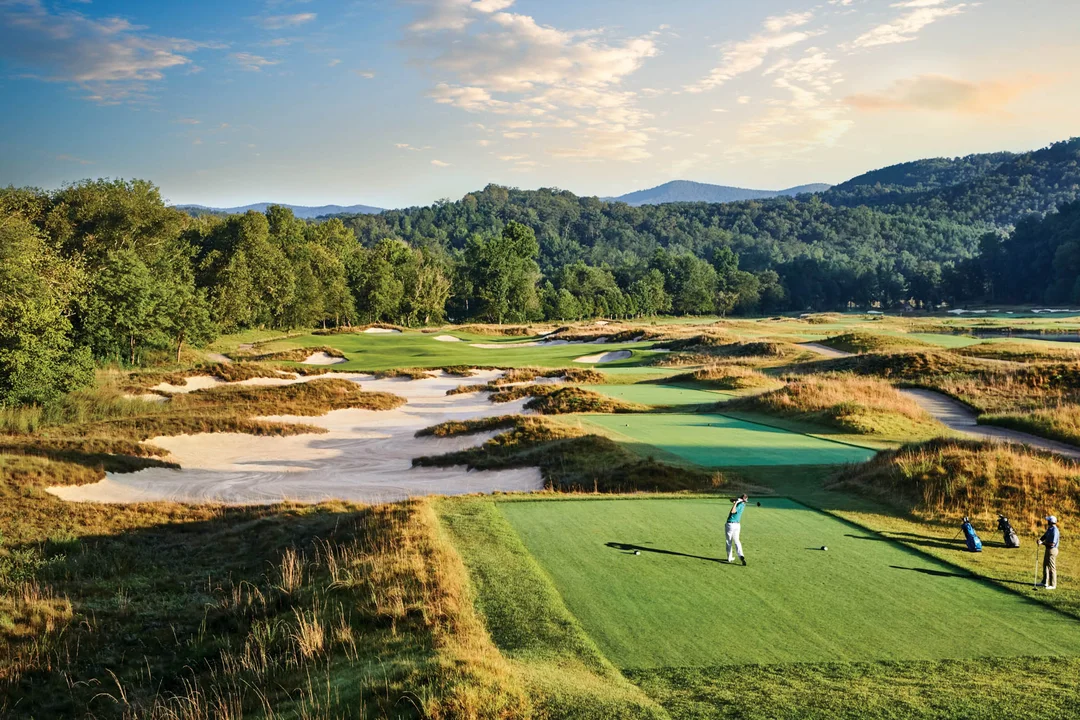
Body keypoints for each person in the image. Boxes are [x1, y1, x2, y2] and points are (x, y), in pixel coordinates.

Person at [1037, 516, 1061, 590]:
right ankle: (1044, 582)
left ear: (1051, 522)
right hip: (1048, 549)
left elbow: (1052, 544)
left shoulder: (1055, 531)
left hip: (1052, 550)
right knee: (1045, 565)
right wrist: (1040, 540)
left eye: (1048, 521)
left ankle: (1053, 585)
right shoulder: (1050, 529)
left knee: (1051, 568)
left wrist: (1042, 543)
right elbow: (1045, 536)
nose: (1047, 522)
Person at [725, 494, 749, 565]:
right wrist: (736, 500)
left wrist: (735, 503)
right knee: (737, 541)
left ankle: (729, 558)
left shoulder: (739, 505)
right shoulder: (743, 504)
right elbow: (730, 499)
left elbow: (733, 511)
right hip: (737, 525)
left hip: (730, 524)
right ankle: (741, 555)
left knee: (728, 541)